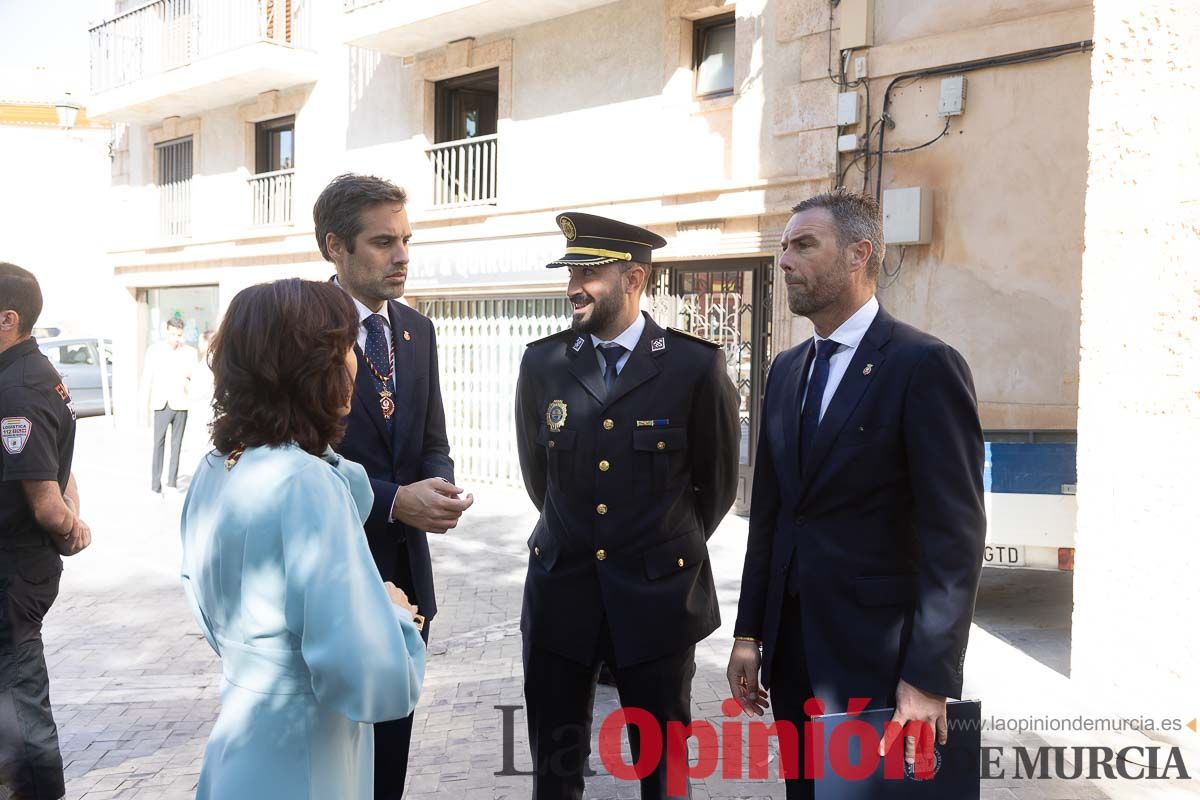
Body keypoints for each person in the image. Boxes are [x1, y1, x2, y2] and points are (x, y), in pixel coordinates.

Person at [725, 190, 986, 799]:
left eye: (803, 245)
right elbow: (773, 515)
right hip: (793, 657)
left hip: (878, 662)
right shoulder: (786, 370)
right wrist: (748, 635)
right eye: (783, 247)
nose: (784, 261)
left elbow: (956, 538)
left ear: (858, 255)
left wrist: (927, 678)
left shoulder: (923, 365)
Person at [515, 212, 740, 799]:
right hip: (561, 591)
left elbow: (714, 490)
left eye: (588, 273)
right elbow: (540, 479)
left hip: (658, 601)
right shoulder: (543, 363)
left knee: (663, 775)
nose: (572, 288)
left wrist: (655, 548)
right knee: (554, 775)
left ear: (633, 278)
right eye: (570, 272)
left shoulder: (694, 366)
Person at [179, 279, 426, 800]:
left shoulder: (216, 467)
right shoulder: (306, 484)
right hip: (306, 756)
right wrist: (396, 614)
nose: (355, 362)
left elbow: (210, 614)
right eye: (344, 349)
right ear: (312, 368)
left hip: (238, 747)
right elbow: (371, 681)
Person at [313, 173, 473, 799]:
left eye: (407, 239)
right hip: (331, 573)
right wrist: (390, 499)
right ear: (336, 247)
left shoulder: (416, 329)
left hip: (407, 577)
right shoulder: (302, 328)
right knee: (335, 757)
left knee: (390, 761)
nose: (402, 255)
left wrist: (440, 487)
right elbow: (294, 458)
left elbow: (431, 434)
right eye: (383, 242)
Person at [0, 262, 92, 800]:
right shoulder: (37, 373)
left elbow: (44, 499)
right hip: (20, 563)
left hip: (13, 569)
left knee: (17, 705)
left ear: (8, 319)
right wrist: (69, 514)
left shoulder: (18, 388)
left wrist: (71, 527)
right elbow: (61, 463)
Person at [142, 316, 196, 493]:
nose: (175, 338)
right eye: (173, 334)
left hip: (181, 403)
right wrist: (143, 404)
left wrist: (190, 380)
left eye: (179, 335)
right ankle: (155, 485)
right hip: (161, 403)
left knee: (177, 445)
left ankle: (172, 482)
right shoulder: (154, 351)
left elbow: (194, 378)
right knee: (158, 443)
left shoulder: (190, 352)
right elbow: (147, 378)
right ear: (166, 331)